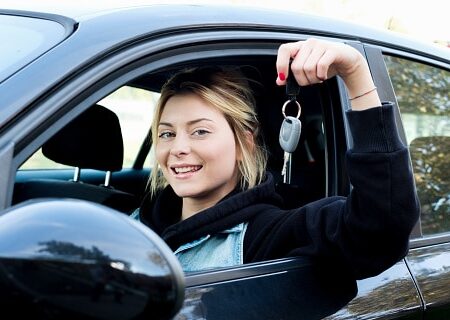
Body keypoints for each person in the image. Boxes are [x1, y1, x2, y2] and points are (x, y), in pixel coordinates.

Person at [132, 38, 420, 279]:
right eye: (167, 134)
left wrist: (355, 72)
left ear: (244, 142)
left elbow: (380, 230)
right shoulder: (136, 218)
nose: (178, 148)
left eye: (200, 131)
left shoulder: (266, 234)